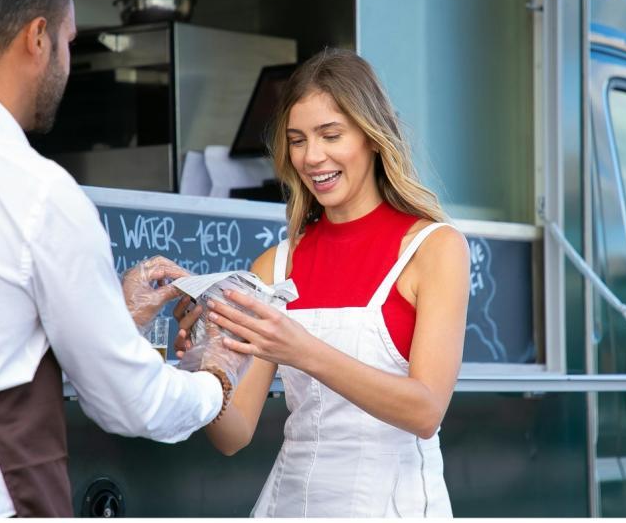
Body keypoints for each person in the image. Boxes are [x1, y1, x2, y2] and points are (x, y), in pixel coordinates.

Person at [0, 0, 247, 517]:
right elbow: (131, 404)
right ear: (37, 38)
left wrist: (113, 312)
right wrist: (217, 377)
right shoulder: (37, 191)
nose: (67, 60)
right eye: (68, 40)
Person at [174, 48, 471, 517]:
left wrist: (301, 350)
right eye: (297, 140)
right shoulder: (276, 264)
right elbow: (235, 435)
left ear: (373, 137)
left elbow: (426, 410)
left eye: (330, 135)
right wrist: (203, 366)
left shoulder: (435, 248)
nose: (312, 157)